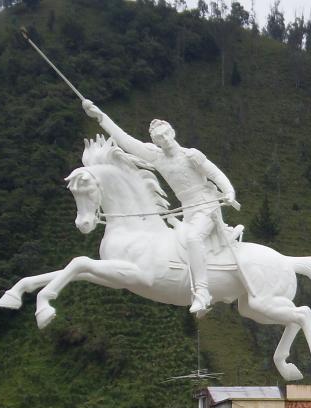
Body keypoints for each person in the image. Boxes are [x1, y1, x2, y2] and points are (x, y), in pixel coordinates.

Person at [81, 100, 239, 315]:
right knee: (179, 242)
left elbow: (215, 174)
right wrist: (100, 117)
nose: (163, 140)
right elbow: (125, 141)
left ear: (172, 133)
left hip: (207, 206)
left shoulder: (191, 155)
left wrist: (228, 191)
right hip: (188, 210)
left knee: (193, 238)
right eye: (158, 138)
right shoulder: (156, 156)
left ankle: (202, 292)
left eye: (165, 135)